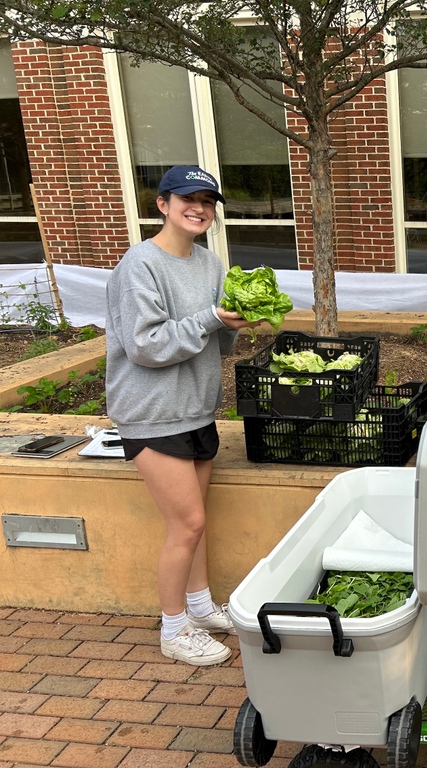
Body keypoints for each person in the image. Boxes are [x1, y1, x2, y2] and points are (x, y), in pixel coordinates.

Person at [105, 165, 263, 666]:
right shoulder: (140, 265)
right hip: (151, 414)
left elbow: (216, 340)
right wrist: (212, 317)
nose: (199, 209)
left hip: (196, 408)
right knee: (187, 524)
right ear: (162, 205)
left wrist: (236, 318)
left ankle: (199, 606)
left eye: (208, 201)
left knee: (195, 522)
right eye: (187, 199)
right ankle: (174, 628)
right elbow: (145, 345)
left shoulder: (210, 264)